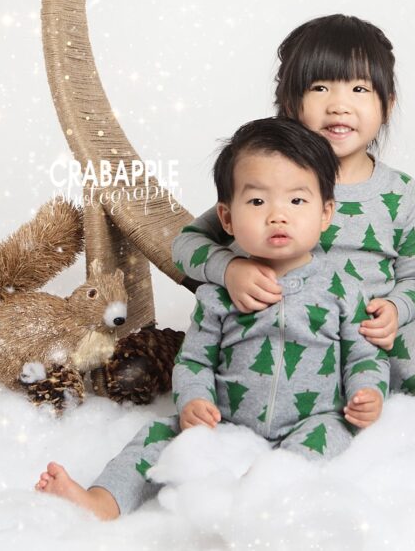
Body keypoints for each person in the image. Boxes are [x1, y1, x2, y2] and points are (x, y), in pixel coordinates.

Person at [36, 117, 390, 518]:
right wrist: (195, 401)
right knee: (156, 433)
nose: (278, 215)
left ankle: (259, 508)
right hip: (228, 421)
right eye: (257, 202)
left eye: (297, 201)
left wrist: (369, 392)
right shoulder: (219, 292)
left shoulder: (343, 287)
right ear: (226, 218)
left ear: (326, 213)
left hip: (313, 419)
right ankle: (103, 500)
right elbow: (195, 360)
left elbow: (366, 355)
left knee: (324, 441)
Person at [173, 14, 415, 397]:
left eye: (360, 89)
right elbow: (185, 245)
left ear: (387, 105)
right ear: (290, 102)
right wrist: (231, 269)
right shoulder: (269, 175)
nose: (339, 106)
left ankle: (353, 387)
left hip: (361, 336)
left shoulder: (399, 190)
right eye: (321, 87)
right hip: (280, 328)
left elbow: (414, 278)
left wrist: (395, 310)